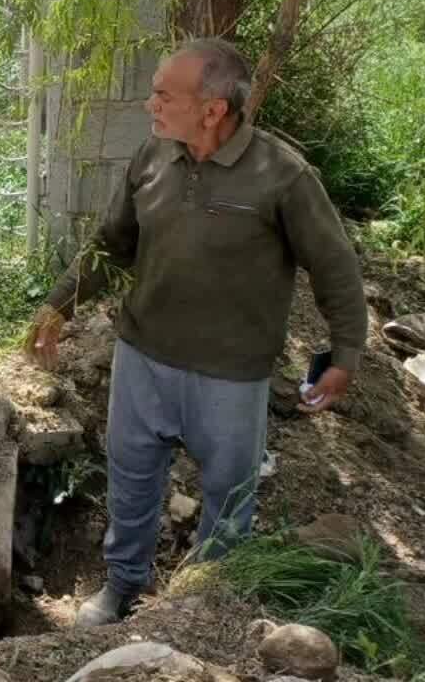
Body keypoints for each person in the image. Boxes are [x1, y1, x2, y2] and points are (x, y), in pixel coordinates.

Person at [26, 37, 367, 626]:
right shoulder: (152, 158)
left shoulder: (281, 175)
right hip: (144, 354)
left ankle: (201, 611)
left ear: (213, 109)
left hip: (232, 372)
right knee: (131, 481)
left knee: (228, 500)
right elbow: (112, 245)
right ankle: (123, 587)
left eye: (163, 95)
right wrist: (59, 305)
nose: (149, 105)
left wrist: (346, 352)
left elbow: (334, 264)